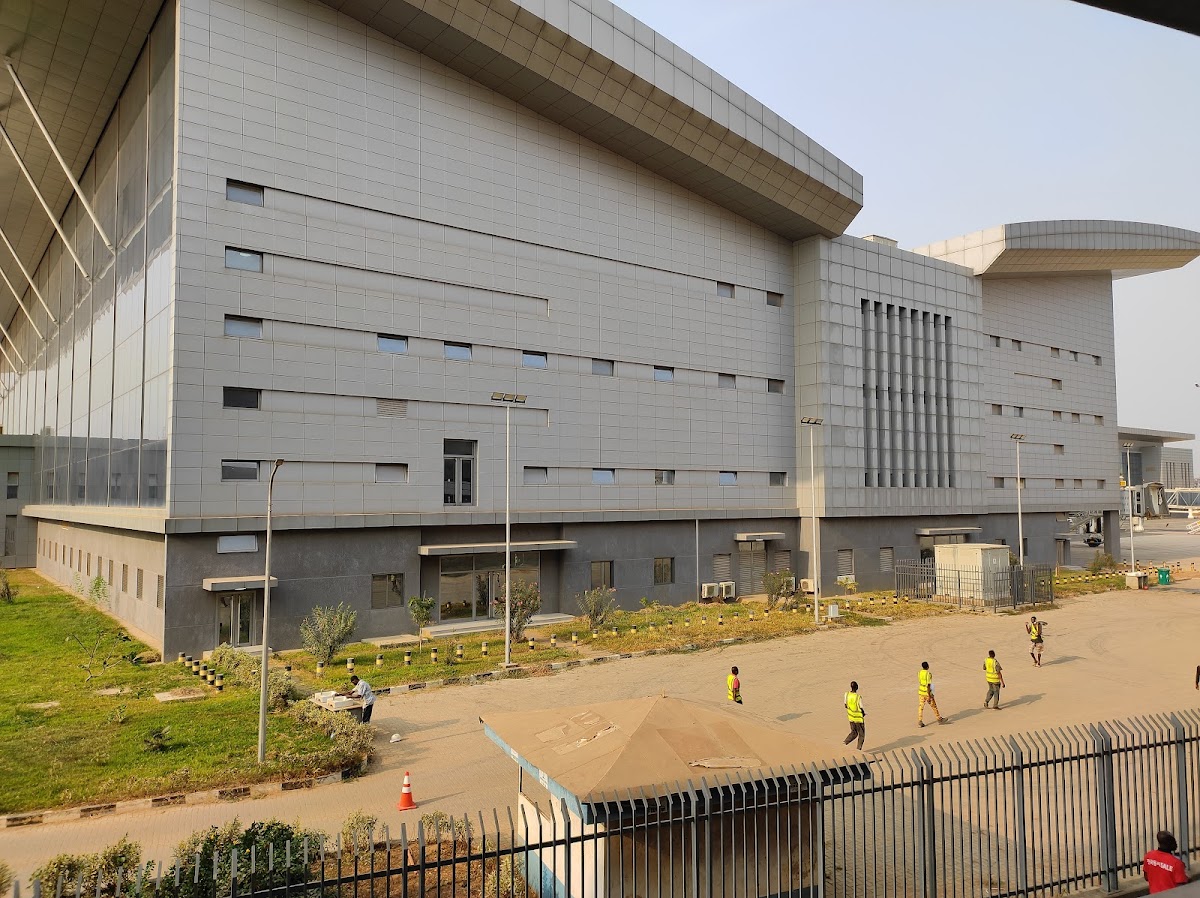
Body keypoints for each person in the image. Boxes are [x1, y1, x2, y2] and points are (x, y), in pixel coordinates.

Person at [917, 661, 944, 727]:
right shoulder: (928, 674)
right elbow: (928, 685)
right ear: (927, 666)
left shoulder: (919, 673)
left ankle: (920, 720)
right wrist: (929, 695)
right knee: (934, 706)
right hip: (927, 692)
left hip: (921, 692)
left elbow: (920, 681)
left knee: (921, 707)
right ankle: (939, 719)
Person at [843, 681, 866, 750]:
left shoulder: (846, 695)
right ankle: (858, 749)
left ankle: (845, 742)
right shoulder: (858, 697)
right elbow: (861, 707)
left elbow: (845, 705)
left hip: (851, 718)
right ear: (857, 687)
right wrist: (863, 713)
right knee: (861, 734)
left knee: (854, 732)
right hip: (858, 719)